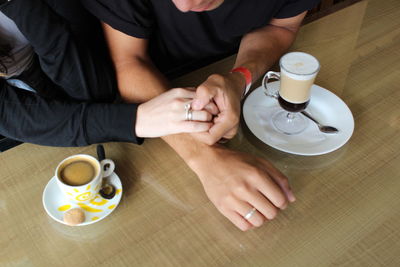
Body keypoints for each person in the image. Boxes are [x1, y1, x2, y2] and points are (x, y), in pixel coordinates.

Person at [82, 0, 321, 231]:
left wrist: (239, 78)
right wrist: (206, 157)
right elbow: (128, 62)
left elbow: (281, 25)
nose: (184, 6)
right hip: (152, 90)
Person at [0, 0, 213, 147]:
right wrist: (137, 120)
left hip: (58, 59)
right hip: (15, 91)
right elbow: (8, 115)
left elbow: (93, 91)